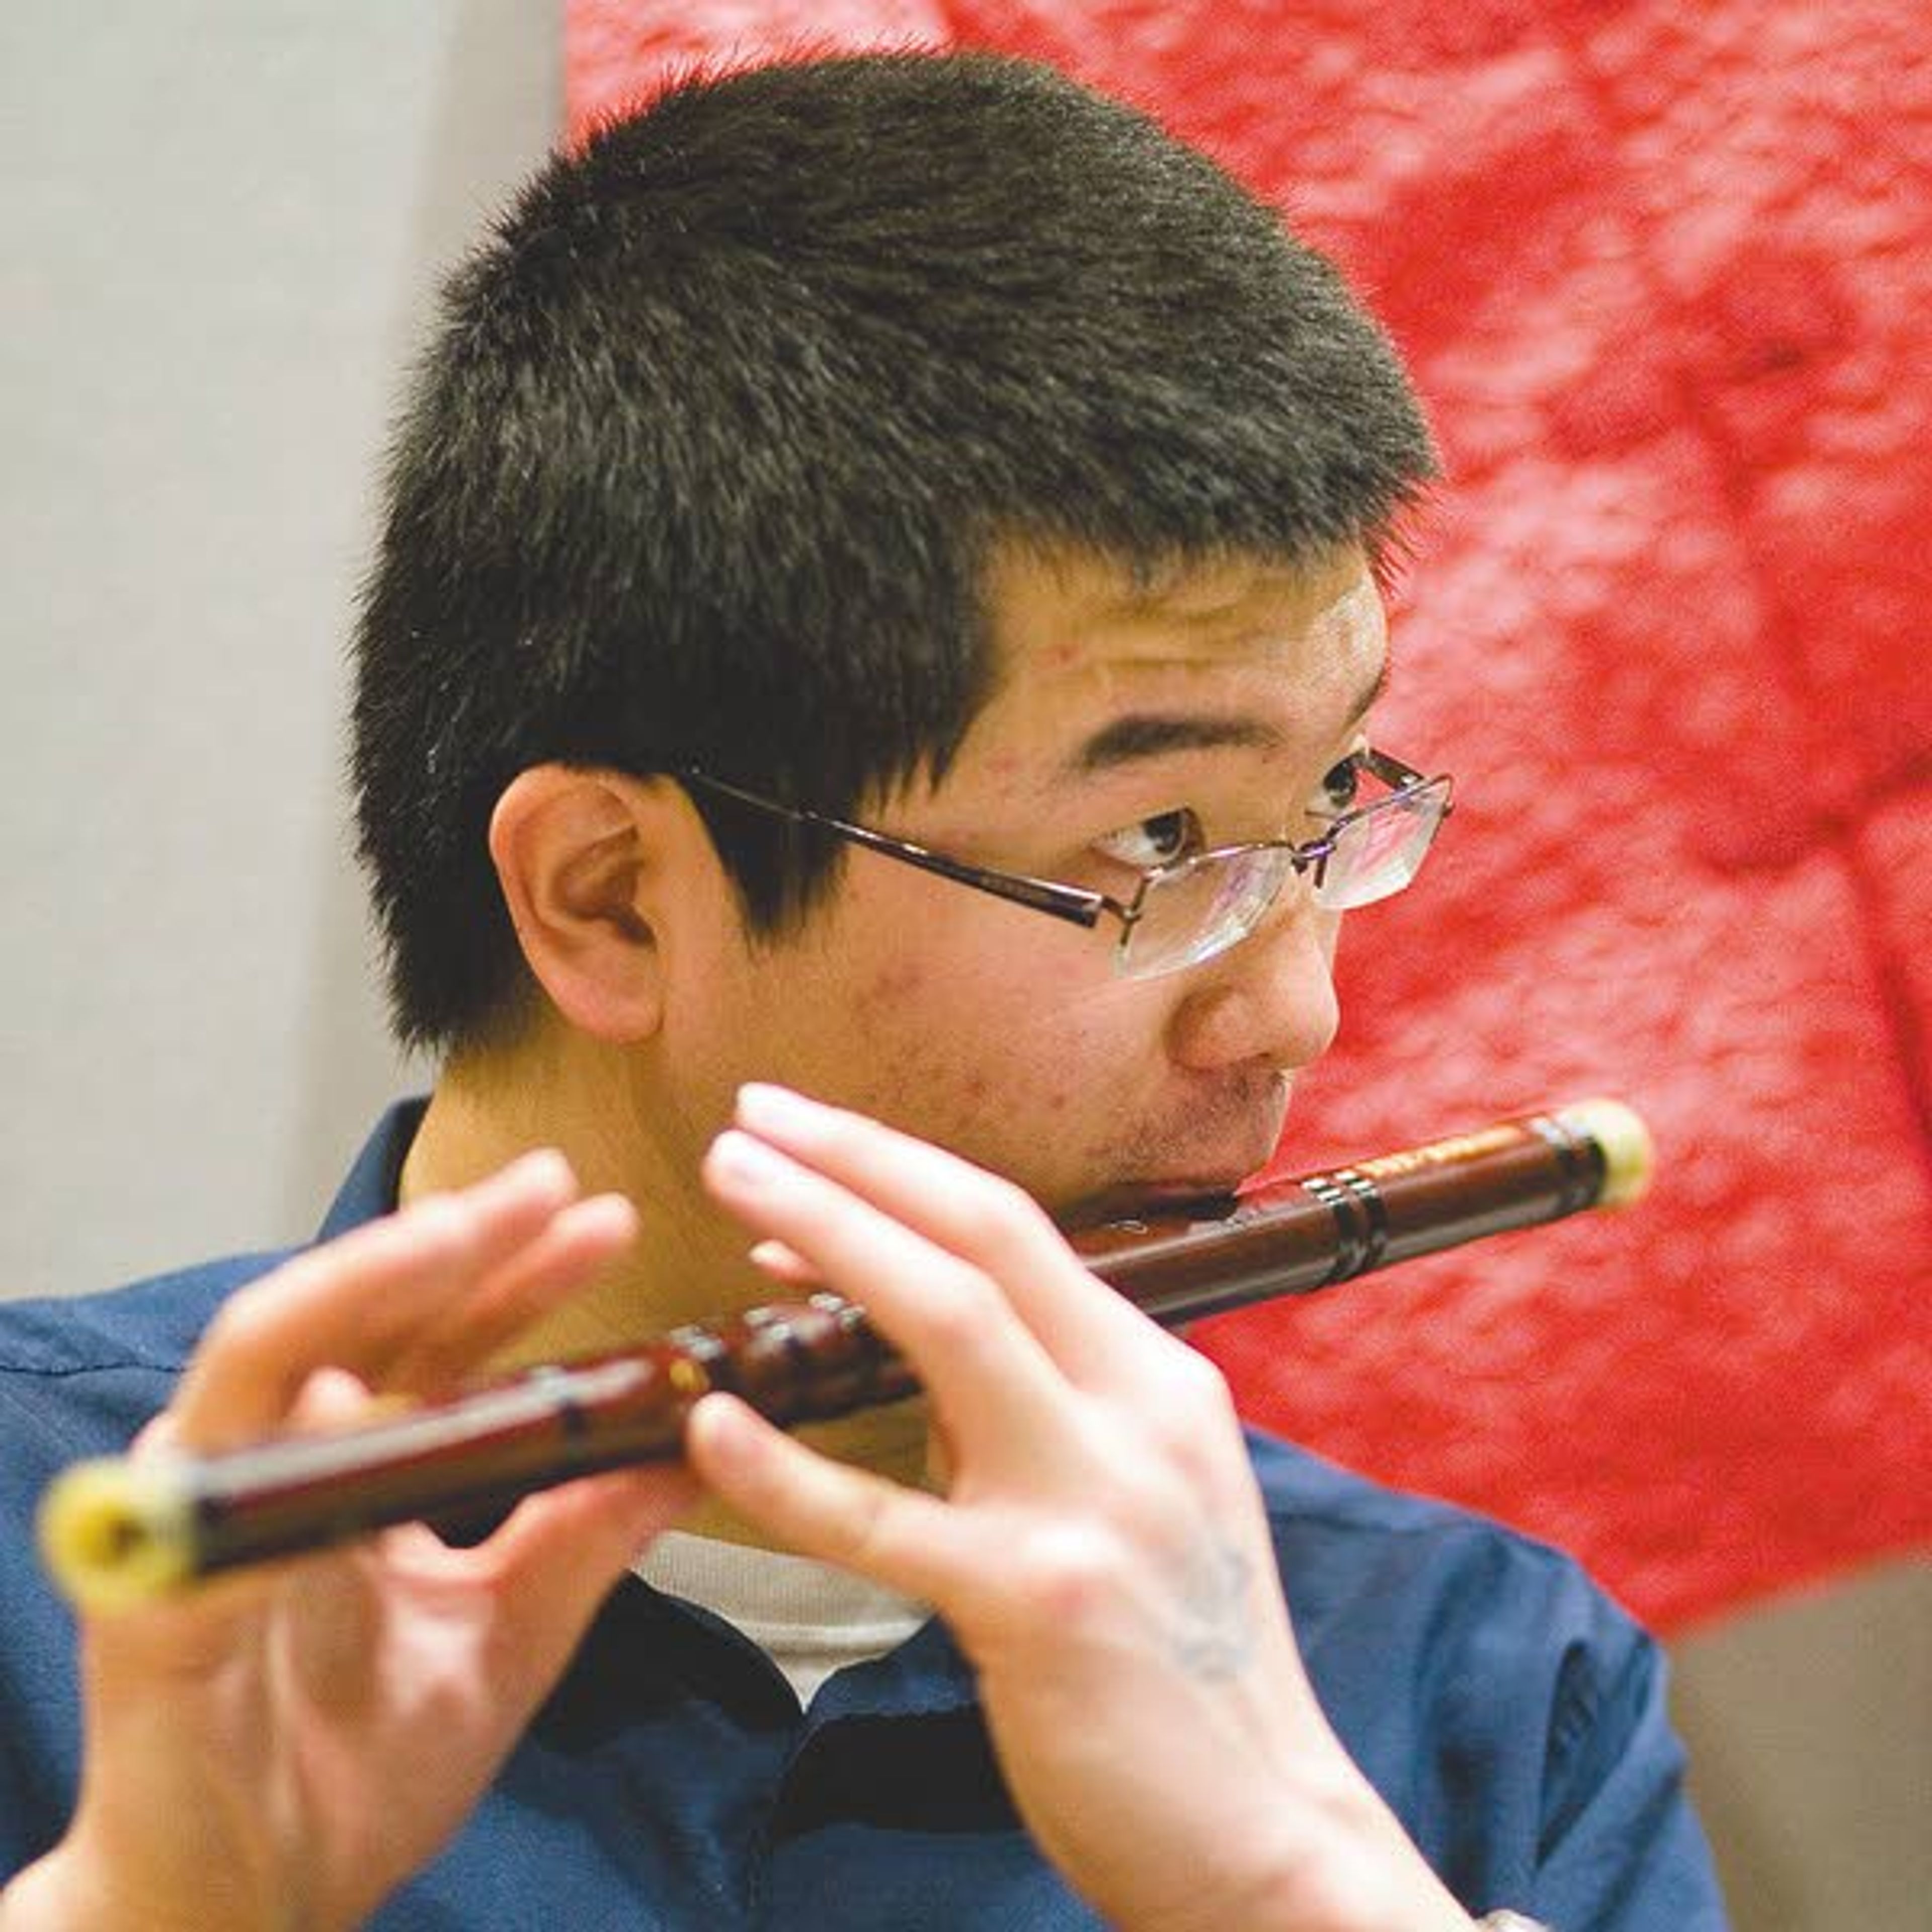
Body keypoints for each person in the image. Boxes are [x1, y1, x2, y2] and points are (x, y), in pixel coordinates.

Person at [0, 48, 1727, 1932]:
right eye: (1155, 840)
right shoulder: (63, 1565)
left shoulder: (1480, 1693)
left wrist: (1295, 1884)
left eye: (1328, 807)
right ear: (612, 900)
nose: (1291, 1020)